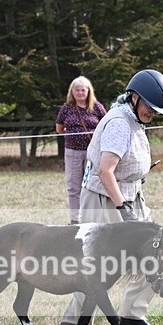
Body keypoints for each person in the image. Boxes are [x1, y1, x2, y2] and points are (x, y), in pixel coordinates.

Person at [55, 69, 163, 325]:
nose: (152, 113)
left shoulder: (135, 121)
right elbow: (105, 171)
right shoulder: (120, 123)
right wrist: (124, 210)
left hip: (129, 197)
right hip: (104, 202)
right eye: (150, 107)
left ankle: (133, 314)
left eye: (157, 109)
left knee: (155, 252)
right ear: (134, 98)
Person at [56, 77, 107, 224]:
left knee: (93, 185)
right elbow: (59, 129)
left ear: (88, 91)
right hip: (72, 152)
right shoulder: (66, 108)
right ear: (72, 92)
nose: (80, 92)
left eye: (83, 89)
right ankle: (74, 220)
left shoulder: (97, 107)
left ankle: (93, 218)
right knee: (73, 186)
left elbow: (107, 124)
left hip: (93, 152)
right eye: (77, 90)